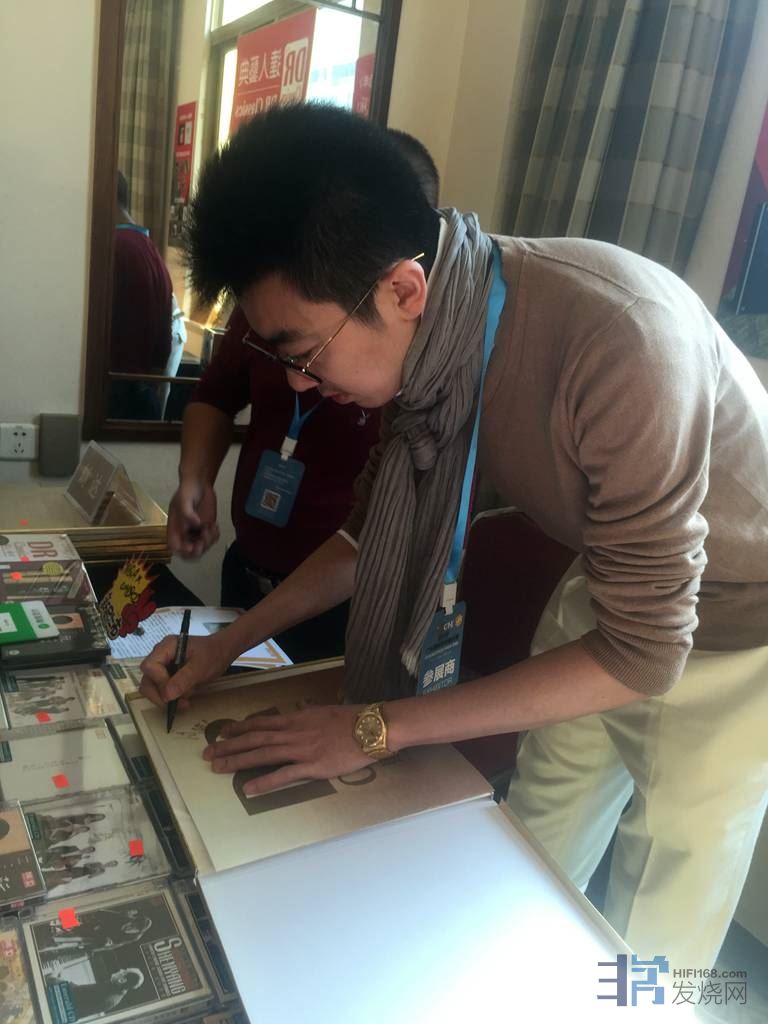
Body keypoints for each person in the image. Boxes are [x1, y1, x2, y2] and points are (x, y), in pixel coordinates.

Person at [140, 103, 768, 970]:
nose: (300, 384)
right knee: (529, 848)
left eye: (302, 351)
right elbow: (364, 538)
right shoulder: (443, 338)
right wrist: (227, 645)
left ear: (402, 290)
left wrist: (373, 728)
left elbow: (644, 655)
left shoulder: (620, 342)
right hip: (611, 587)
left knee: (662, 926)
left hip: (738, 627)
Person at [166, 129, 438, 662]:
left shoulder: (425, 373)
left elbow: (363, 540)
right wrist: (195, 480)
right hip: (253, 570)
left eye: (307, 352)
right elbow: (215, 395)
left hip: (351, 601)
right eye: (285, 355)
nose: (297, 378)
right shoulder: (277, 306)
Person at [109, 172, 177, 420]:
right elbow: (163, 344)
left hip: (116, 395)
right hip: (143, 393)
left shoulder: (114, 248)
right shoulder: (150, 249)